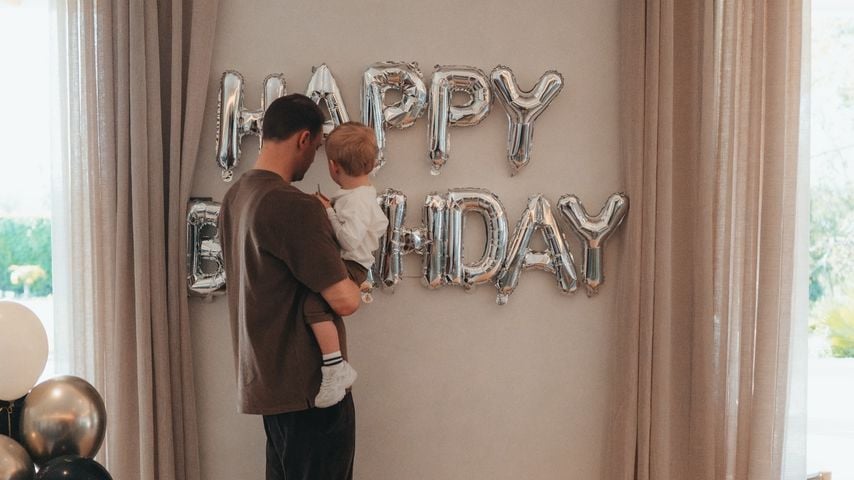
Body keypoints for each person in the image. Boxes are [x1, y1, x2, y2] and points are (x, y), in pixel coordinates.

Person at [218, 93, 361, 480]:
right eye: (316, 147)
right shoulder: (292, 205)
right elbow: (345, 300)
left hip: (270, 387)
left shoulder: (236, 198)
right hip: (311, 391)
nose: (314, 157)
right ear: (303, 138)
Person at [307, 122, 389, 408]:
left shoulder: (355, 201)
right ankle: (334, 366)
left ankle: (334, 368)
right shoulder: (361, 196)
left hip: (351, 265)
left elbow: (349, 240)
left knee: (313, 307)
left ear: (333, 167)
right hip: (353, 264)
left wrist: (327, 212)